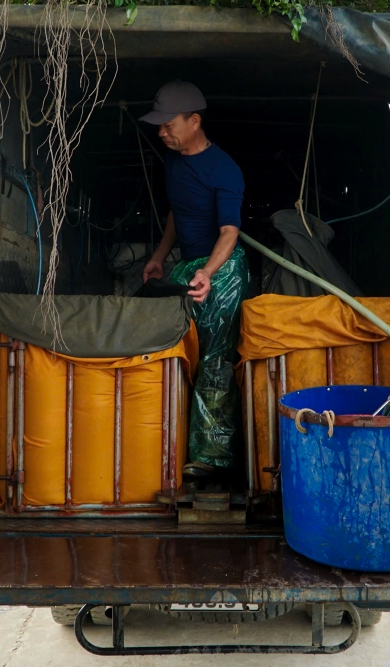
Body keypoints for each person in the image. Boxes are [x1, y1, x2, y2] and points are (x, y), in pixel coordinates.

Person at [140, 80, 250, 480]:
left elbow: (229, 233)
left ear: (194, 122)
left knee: (215, 363)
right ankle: (170, 447)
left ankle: (215, 457)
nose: (161, 132)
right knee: (181, 356)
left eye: (168, 125)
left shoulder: (224, 170)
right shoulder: (173, 160)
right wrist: (158, 257)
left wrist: (207, 273)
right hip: (188, 269)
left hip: (222, 274)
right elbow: (177, 212)